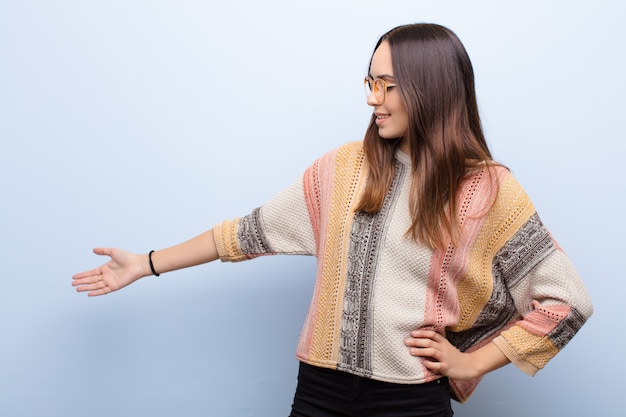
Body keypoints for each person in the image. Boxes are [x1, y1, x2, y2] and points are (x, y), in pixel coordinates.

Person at [72, 23, 593, 417]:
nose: (372, 98)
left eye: (387, 85)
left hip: (409, 401)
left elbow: (567, 301)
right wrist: (144, 263)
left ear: (430, 87)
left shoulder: (488, 187)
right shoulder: (343, 169)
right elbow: (245, 233)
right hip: (318, 390)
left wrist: (473, 363)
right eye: (370, 81)